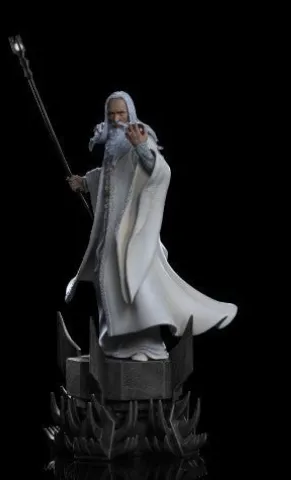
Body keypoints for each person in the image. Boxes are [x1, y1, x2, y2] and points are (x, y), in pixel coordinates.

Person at [65, 91, 237, 362]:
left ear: (130, 114)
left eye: (121, 113)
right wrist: (85, 183)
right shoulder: (112, 151)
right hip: (110, 235)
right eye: (111, 114)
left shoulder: (140, 139)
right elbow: (109, 177)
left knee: (137, 287)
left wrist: (142, 147)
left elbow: (160, 170)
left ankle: (147, 345)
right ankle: (117, 343)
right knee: (107, 283)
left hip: (132, 234)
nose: (116, 119)